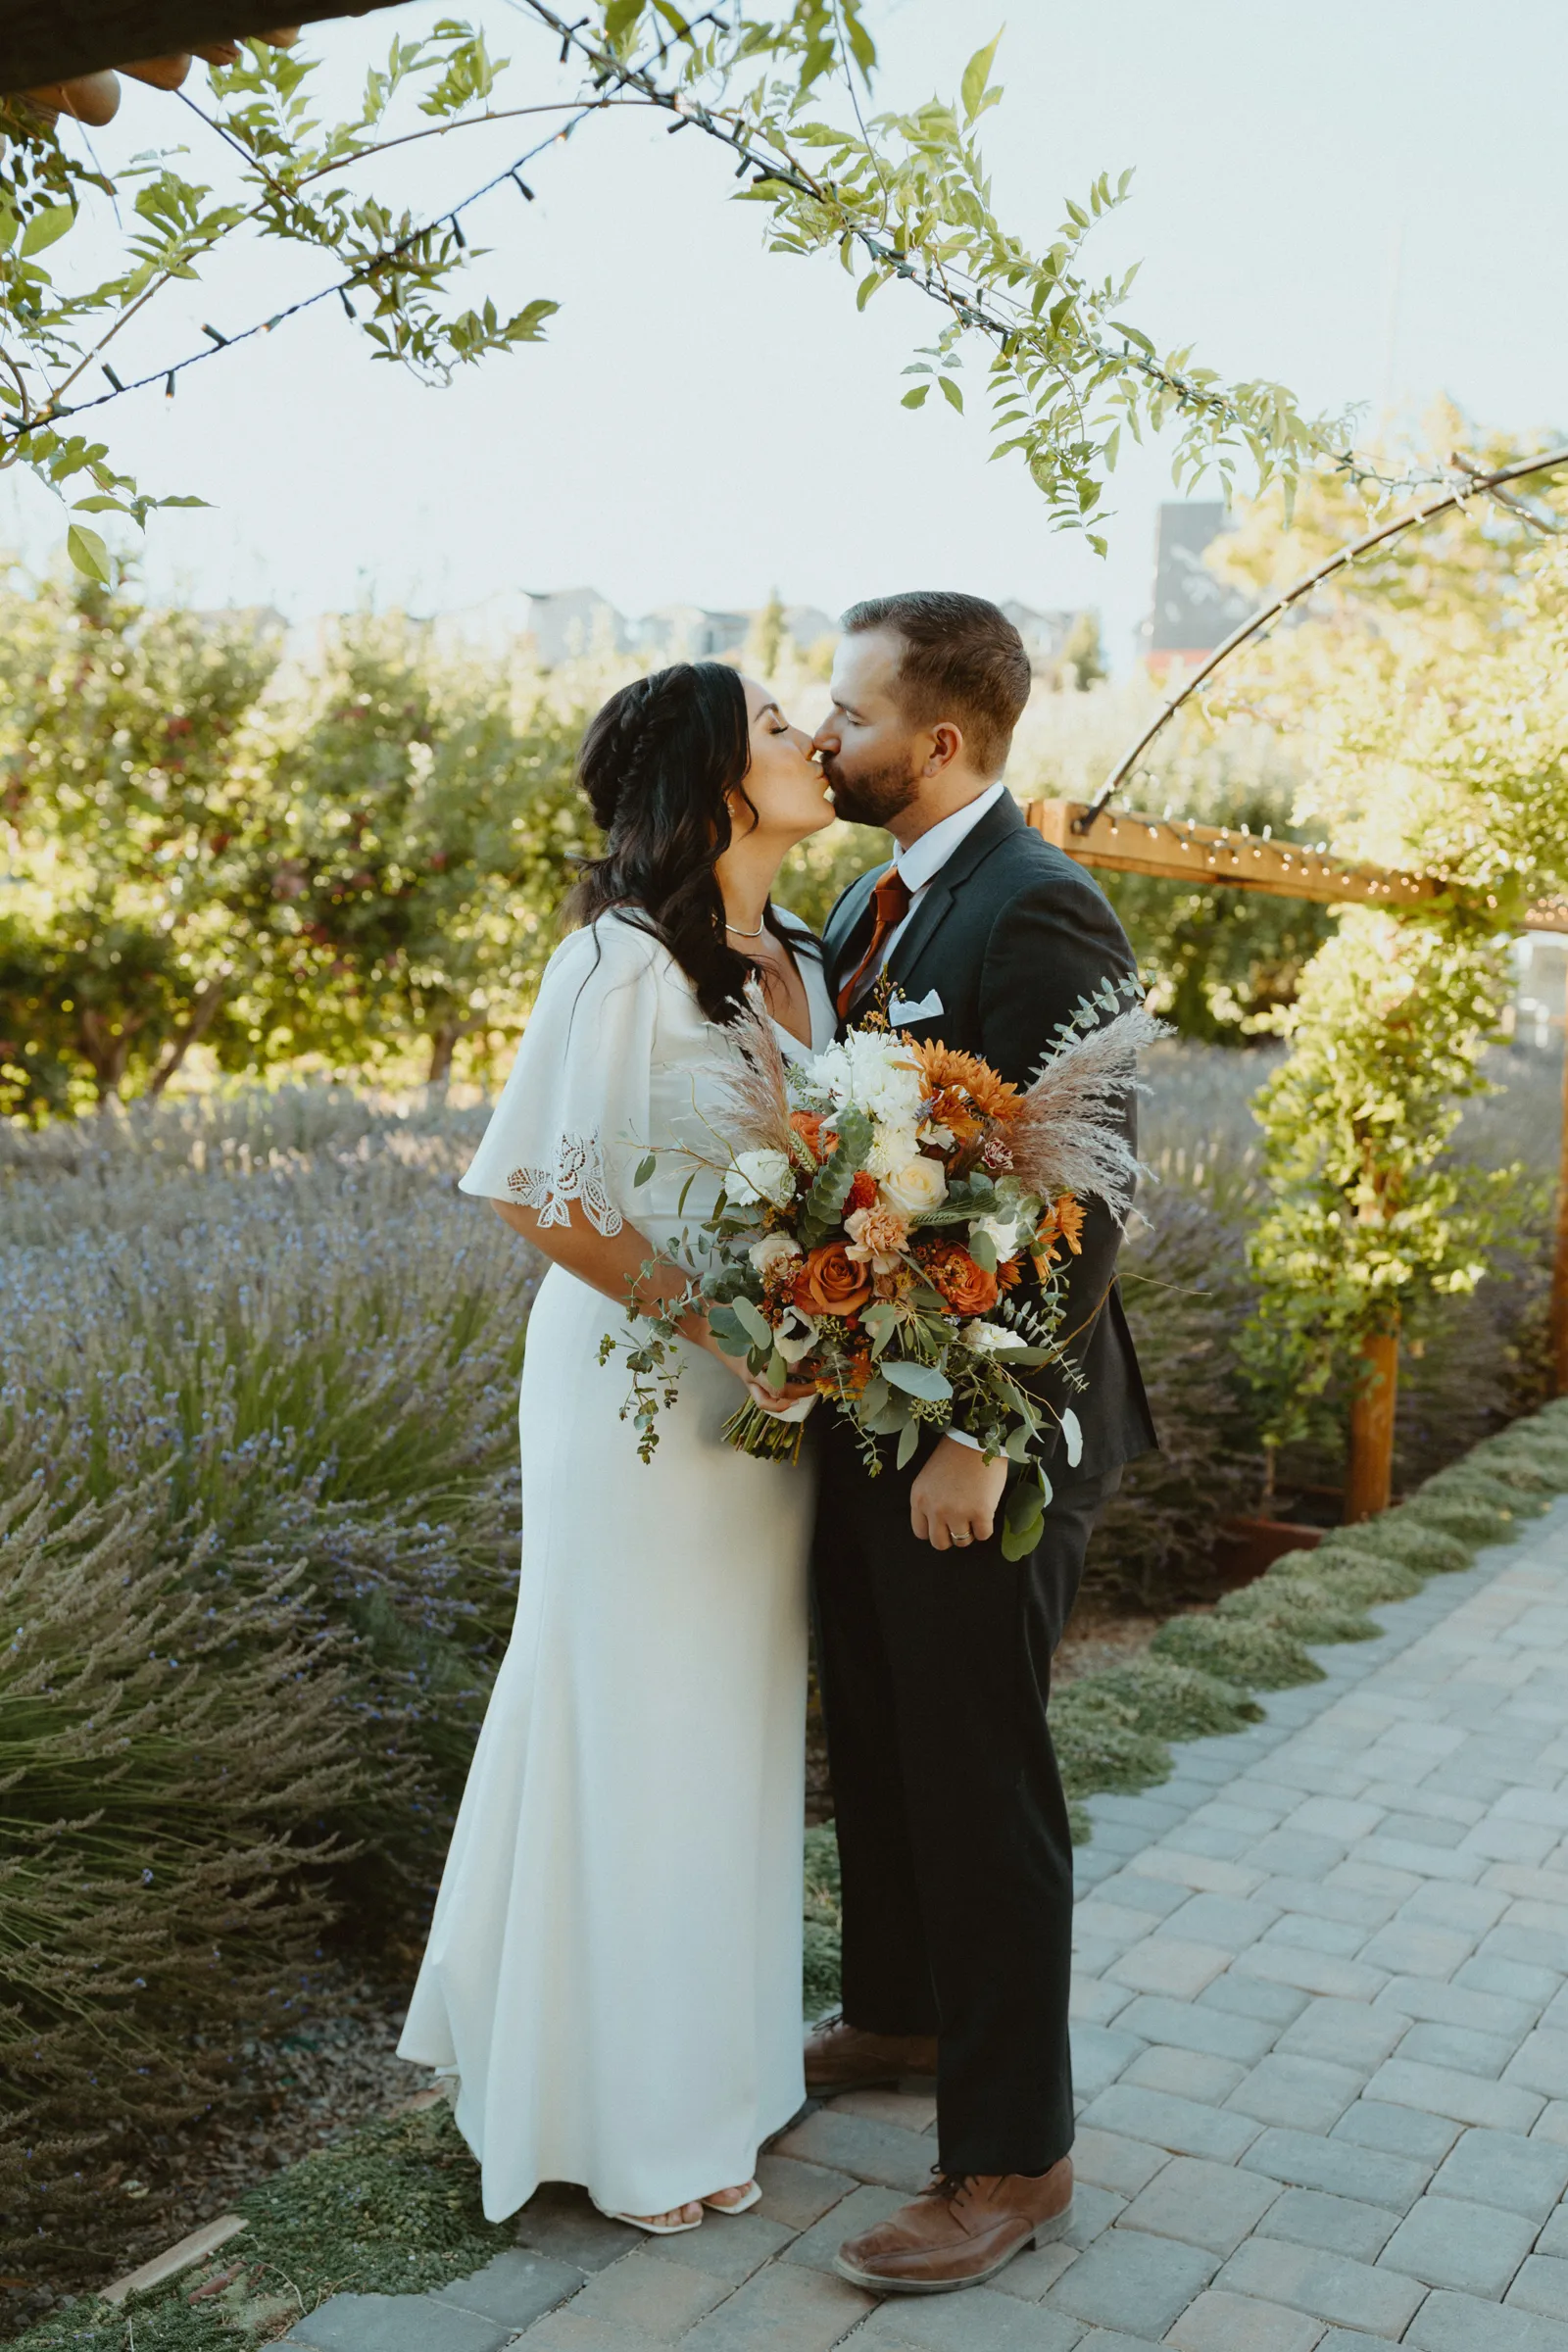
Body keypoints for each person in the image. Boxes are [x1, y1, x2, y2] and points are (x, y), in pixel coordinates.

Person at [398, 662, 837, 2233]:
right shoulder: (616, 964)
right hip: (643, 1398)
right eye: (783, 728)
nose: (813, 742)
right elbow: (537, 1193)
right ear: (723, 777)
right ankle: (625, 2119)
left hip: (769, 1412)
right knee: (634, 1721)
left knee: (728, 1728)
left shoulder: (801, 958)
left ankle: (718, 2075)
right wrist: (727, 1326)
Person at [805, 591, 1158, 2295]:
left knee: (979, 1770)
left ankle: (1015, 2155)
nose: (823, 735)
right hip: (876, 1409)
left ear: (938, 741)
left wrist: (980, 1433)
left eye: (847, 711)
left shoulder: (1041, 906)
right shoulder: (870, 904)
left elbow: (1089, 1195)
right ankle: (902, 2012)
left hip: (995, 1435)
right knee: (877, 1731)